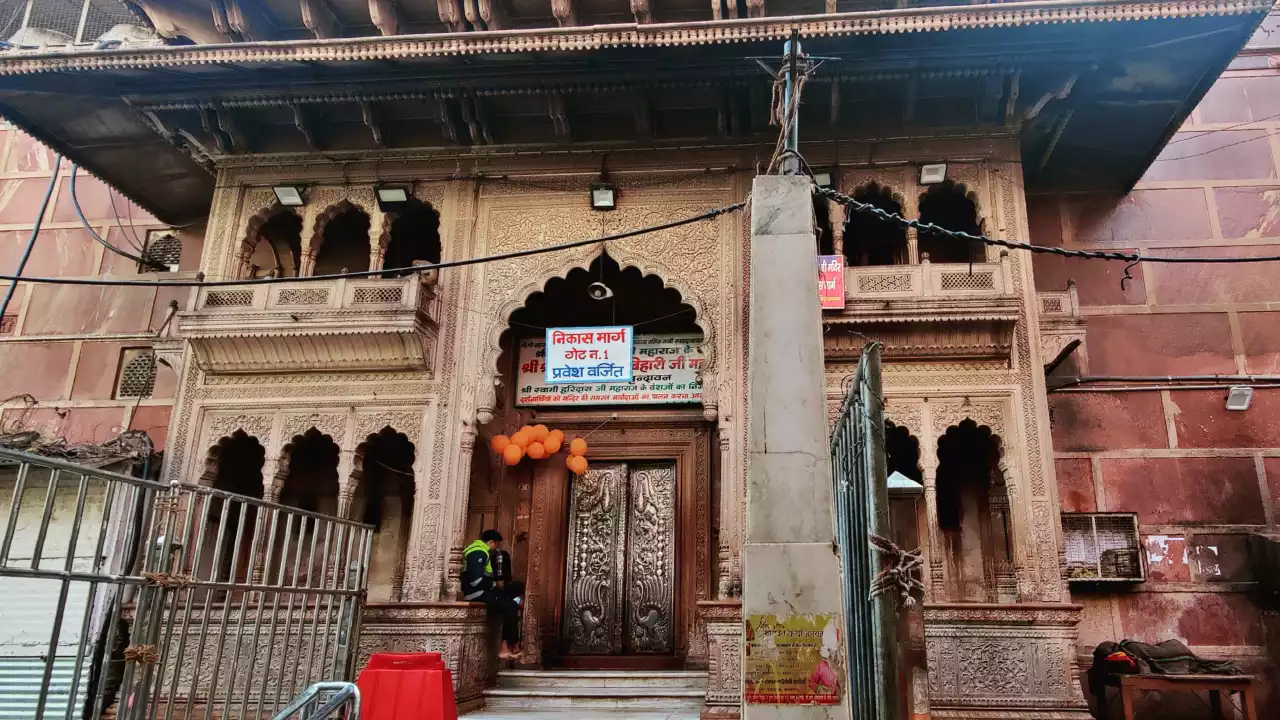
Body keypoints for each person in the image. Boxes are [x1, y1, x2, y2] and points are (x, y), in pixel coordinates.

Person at [463, 529, 522, 659]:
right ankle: (508, 647)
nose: (496, 548)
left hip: (481, 591)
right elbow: (476, 580)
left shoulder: (479, 550)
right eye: (497, 544)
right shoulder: (478, 552)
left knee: (511, 597)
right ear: (492, 542)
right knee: (511, 606)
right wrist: (494, 585)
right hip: (476, 593)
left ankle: (509, 646)